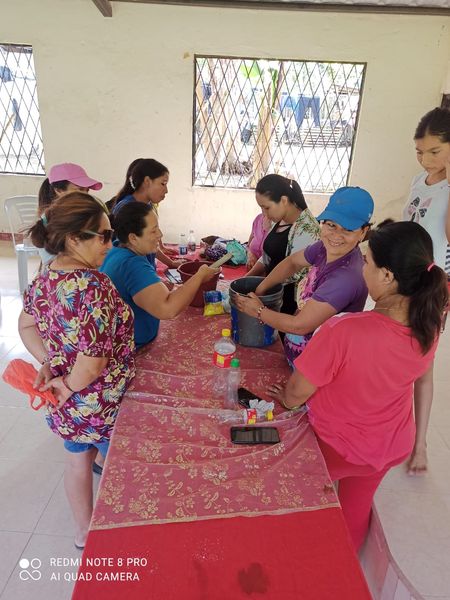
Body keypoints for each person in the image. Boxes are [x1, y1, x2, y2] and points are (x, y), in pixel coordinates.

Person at [269, 221, 448, 550]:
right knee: (356, 508)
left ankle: (300, 554)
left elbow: (296, 392)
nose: (362, 269)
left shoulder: (344, 331)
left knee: (299, 495)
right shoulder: (430, 324)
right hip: (391, 444)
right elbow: (418, 376)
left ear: (387, 275)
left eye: (367, 262)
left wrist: (288, 401)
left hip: (336, 446)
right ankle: (344, 564)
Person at [18, 191, 135, 549]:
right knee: (119, 470)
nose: (110, 244)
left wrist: (49, 362)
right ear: (73, 239)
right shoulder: (93, 287)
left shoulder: (45, 277)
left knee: (76, 461)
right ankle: (120, 534)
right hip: (103, 403)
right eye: (103, 236)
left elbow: (26, 325)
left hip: (67, 404)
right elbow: (93, 361)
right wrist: (68, 384)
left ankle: (84, 533)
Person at [236, 186, 373, 365]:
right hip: (301, 356)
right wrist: (261, 289)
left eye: (348, 230)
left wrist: (259, 311)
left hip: (317, 368)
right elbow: (292, 262)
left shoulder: (345, 279)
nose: (336, 236)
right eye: (331, 225)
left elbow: (300, 325)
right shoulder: (323, 248)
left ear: (363, 232)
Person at [402, 107, 450, 475]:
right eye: (420, 151)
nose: (426, 159)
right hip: (404, 280)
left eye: (435, 151)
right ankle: (392, 427)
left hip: (433, 287)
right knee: (395, 358)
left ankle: (420, 446)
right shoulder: (420, 180)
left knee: (422, 366)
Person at [101, 202, 220, 347]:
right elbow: (168, 308)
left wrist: (156, 286)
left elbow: (132, 288)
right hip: (130, 345)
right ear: (133, 238)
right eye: (153, 231)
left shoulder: (117, 247)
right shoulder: (132, 264)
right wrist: (199, 276)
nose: (160, 235)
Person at [246, 174, 320, 316]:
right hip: (270, 293)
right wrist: (247, 278)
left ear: (284, 200)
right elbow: (268, 255)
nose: (264, 214)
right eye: (261, 208)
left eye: (267, 208)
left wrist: (261, 287)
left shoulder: (308, 230)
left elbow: (292, 270)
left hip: (290, 304)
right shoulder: (279, 219)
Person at [111, 158, 182, 269]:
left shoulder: (148, 205)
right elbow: (120, 252)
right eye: (163, 183)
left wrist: (171, 263)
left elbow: (150, 242)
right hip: (134, 274)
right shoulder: (126, 209)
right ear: (147, 181)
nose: (166, 190)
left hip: (147, 271)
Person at [37, 163, 103, 264]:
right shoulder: (48, 221)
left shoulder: (83, 215)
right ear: (59, 190)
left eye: (87, 190)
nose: (85, 195)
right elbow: (54, 262)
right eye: (80, 189)